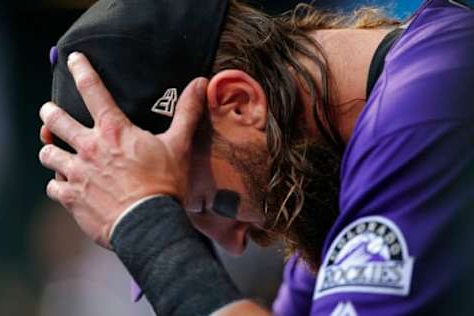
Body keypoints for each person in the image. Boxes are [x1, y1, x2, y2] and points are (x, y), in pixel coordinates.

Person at [38, 0, 474, 315]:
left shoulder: (432, 114)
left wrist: (152, 235)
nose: (233, 243)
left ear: (239, 103)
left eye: (207, 204)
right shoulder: (341, 188)